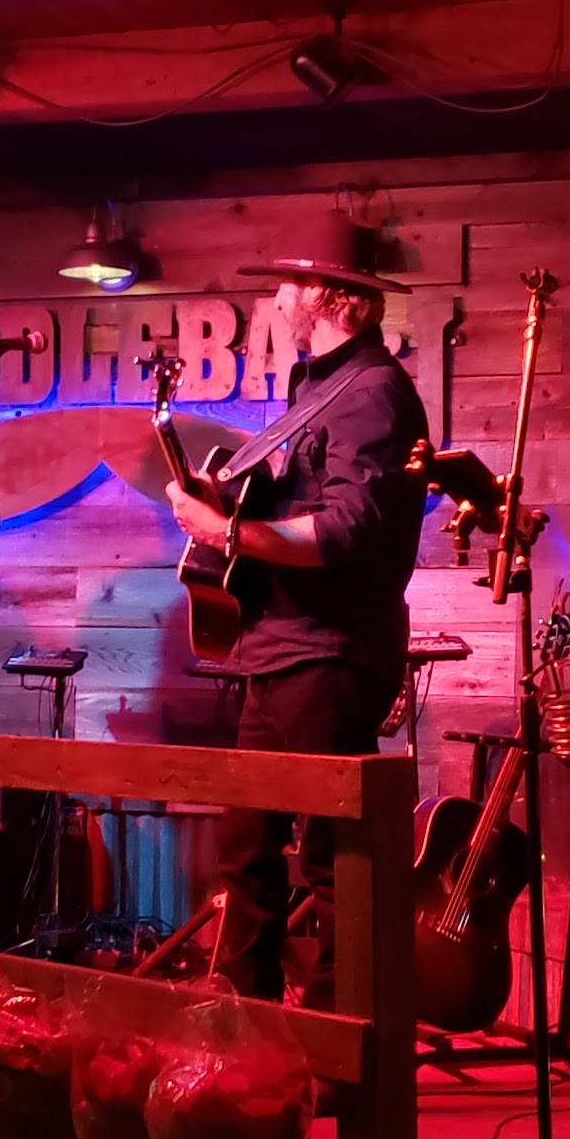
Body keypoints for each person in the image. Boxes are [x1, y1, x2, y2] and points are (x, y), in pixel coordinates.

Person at [165, 211, 429, 1006]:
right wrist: (232, 499)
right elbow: (301, 503)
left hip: (329, 654)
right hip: (279, 648)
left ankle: (342, 1036)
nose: (278, 299)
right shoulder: (317, 386)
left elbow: (348, 532)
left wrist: (227, 531)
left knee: (333, 862)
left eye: (290, 284)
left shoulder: (374, 394)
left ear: (330, 297)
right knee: (246, 854)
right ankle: (244, 1029)